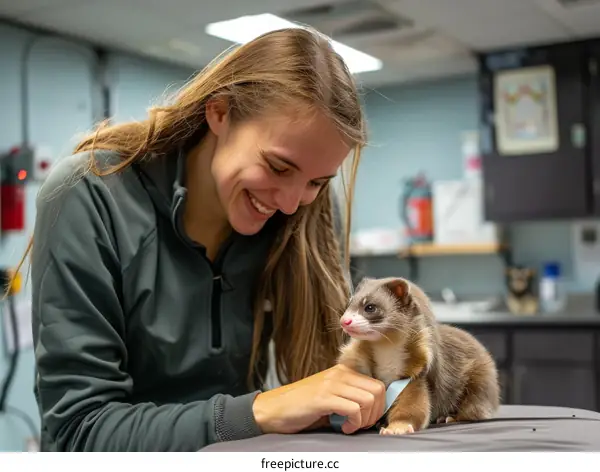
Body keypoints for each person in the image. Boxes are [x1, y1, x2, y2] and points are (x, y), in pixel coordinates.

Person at [16, 26, 387, 452]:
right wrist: (260, 411)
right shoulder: (90, 194)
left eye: (317, 182)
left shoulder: (305, 213)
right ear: (220, 113)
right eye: (278, 168)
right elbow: (77, 433)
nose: (289, 204)